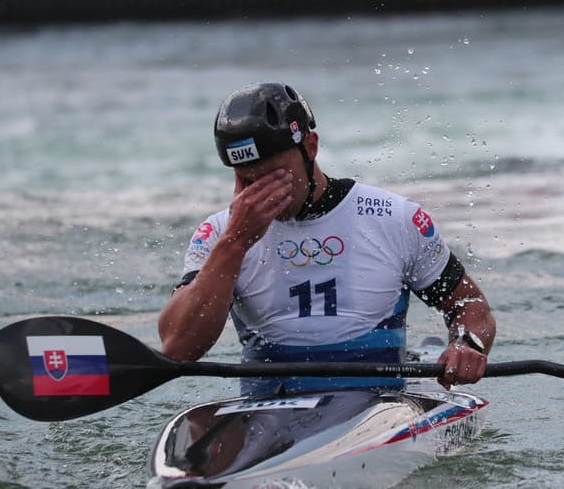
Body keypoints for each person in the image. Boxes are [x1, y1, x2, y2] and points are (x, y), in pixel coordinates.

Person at [158, 81, 495, 396]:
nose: (261, 194)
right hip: (266, 412)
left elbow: (469, 306)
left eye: (273, 175)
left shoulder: (394, 217)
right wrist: (235, 242)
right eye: (248, 179)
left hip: (378, 406)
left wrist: (467, 344)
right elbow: (178, 347)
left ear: (310, 147)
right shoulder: (218, 235)